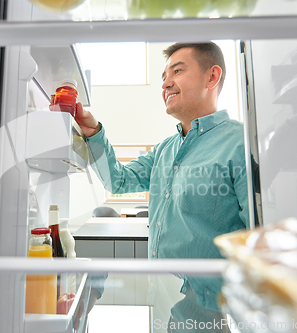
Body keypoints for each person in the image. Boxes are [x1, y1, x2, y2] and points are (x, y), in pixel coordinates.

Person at [76, 42, 249, 325]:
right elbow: (118, 180)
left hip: (214, 309)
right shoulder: (164, 150)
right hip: (162, 294)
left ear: (212, 77)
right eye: (163, 78)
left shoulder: (240, 144)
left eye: (177, 71)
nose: (166, 83)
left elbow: (256, 240)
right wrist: (93, 133)